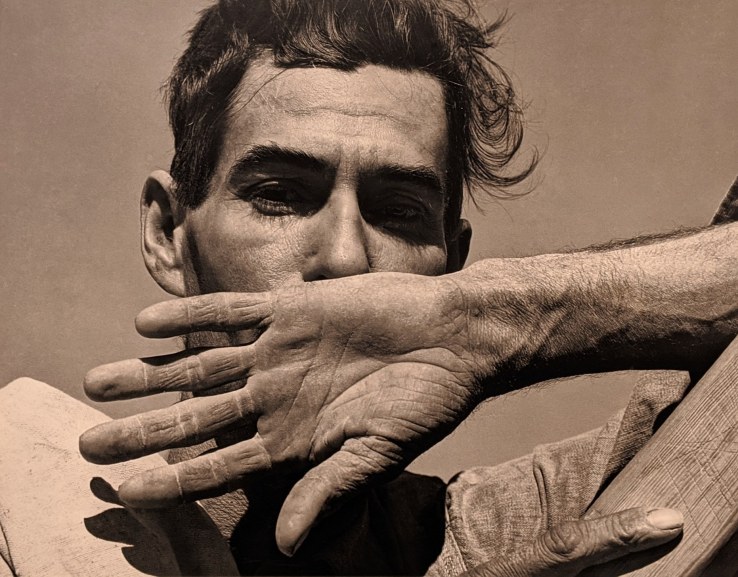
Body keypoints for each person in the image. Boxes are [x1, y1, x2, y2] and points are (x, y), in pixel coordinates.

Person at [2, 0, 736, 575]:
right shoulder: (27, 500)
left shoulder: (511, 531)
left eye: (398, 211)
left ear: (453, 265)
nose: (347, 260)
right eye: (280, 195)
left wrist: (494, 319)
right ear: (168, 233)